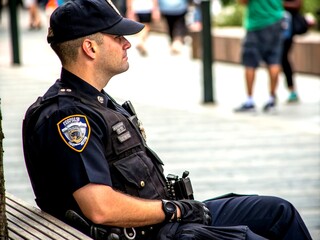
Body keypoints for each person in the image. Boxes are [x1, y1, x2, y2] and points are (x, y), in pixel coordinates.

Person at [22, 0, 313, 239]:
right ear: (90, 48)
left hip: (167, 219)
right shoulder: (68, 116)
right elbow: (100, 208)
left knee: (278, 212)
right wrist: (174, 209)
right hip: (154, 230)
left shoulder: (94, 100)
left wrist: (178, 209)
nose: (128, 44)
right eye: (118, 37)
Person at [234, 0, 284, 113]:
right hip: (276, 21)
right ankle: (271, 99)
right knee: (274, 61)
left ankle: (249, 100)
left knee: (250, 62)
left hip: (256, 24)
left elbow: (243, 1)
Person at [282, 0, 303, 103]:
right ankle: (272, 93)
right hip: (271, 26)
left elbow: (298, 4)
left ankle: (292, 90)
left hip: (286, 29)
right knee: (274, 61)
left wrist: (279, 4)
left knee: (283, 59)